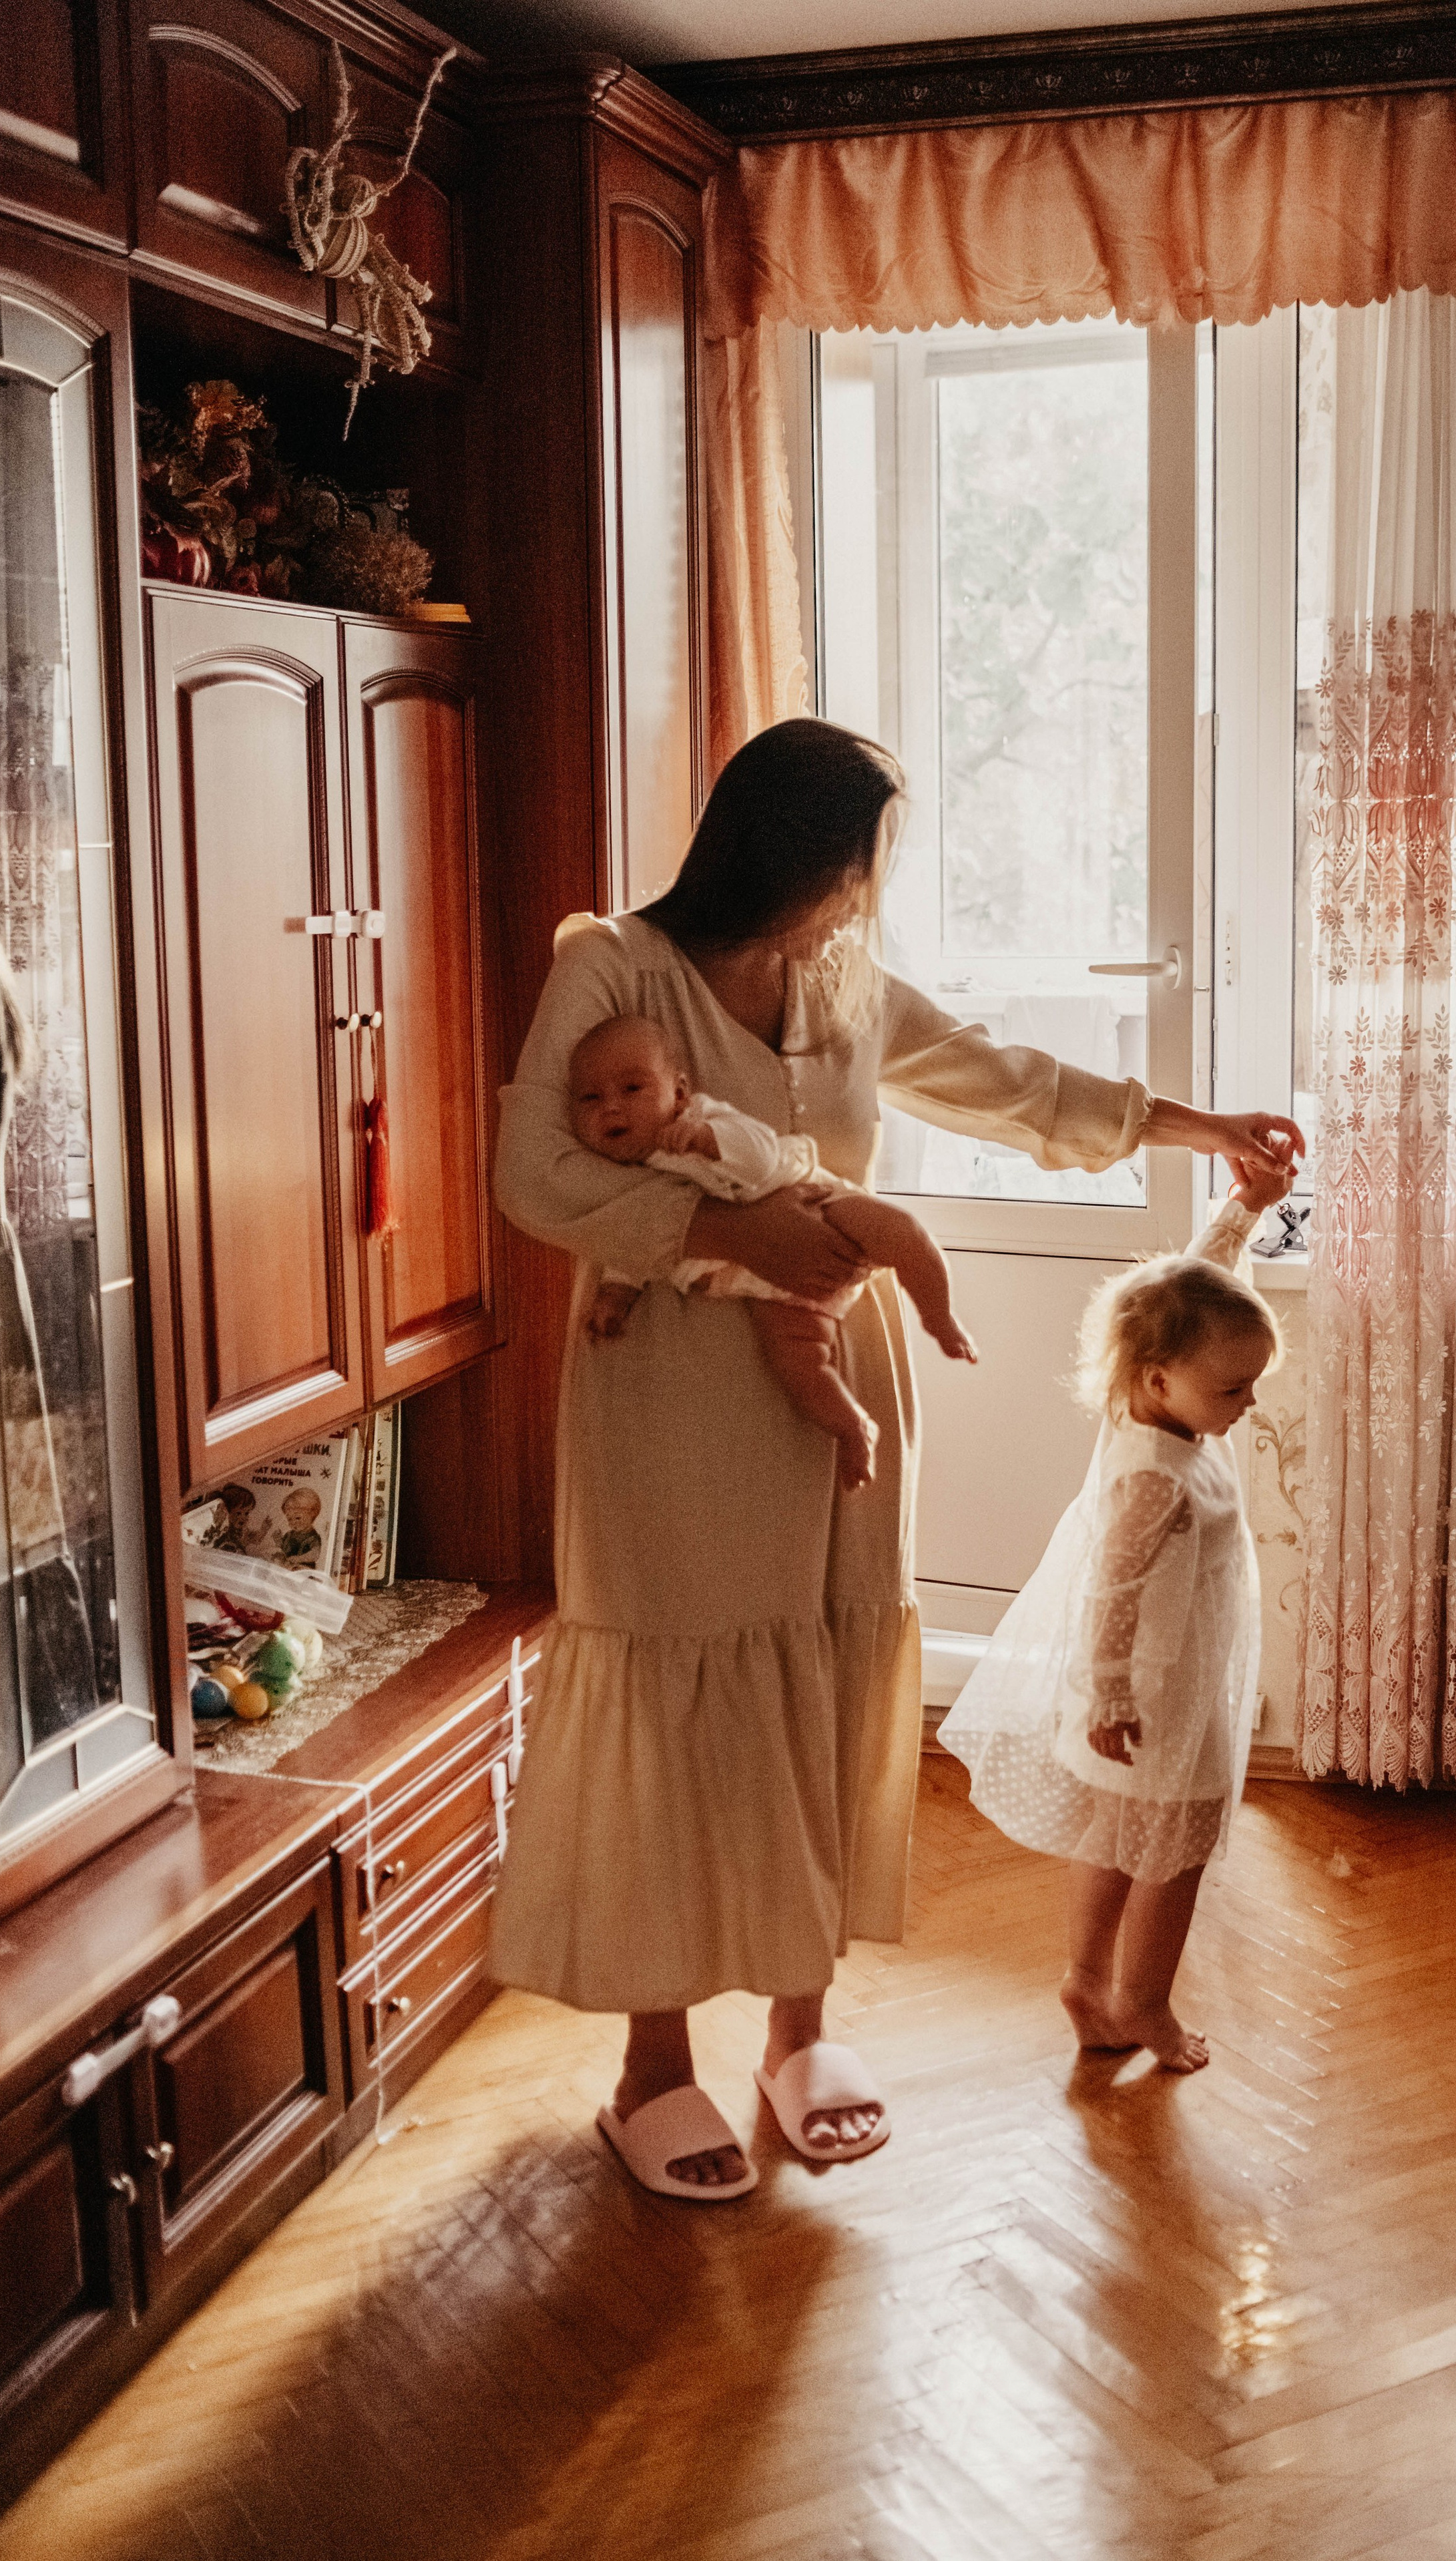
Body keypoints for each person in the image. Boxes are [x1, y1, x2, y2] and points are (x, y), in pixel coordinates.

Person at [489, 717, 1302, 2200]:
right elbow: (534, 1171)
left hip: (840, 1377)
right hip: (668, 1389)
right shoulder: (613, 967)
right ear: (796, 854)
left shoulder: (844, 984)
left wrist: (1199, 1129)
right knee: (675, 1697)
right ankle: (652, 2068)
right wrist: (729, 1228)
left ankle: (798, 2033)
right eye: (860, 865)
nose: (867, 895)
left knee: (823, 1672)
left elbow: (1005, 1081)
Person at [939, 1160, 1292, 2074]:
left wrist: (1240, 1212)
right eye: (1234, 1388)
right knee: (1174, 1853)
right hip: (1152, 1702)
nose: (1249, 1402)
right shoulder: (1154, 1477)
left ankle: (1088, 1981)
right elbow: (1111, 1592)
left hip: (1132, 1697)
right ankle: (1144, 2000)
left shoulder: (1148, 1412)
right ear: (1160, 1377)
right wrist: (1111, 1695)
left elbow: (1197, 1275)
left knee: (1114, 1834)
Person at [567, 1011, 977, 1489]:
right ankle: (853, 1426)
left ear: (678, 1093)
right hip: (765, 1287)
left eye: (632, 1089)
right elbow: (634, 1238)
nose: (611, 1108)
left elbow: (761, 1155)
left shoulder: (702, 1118)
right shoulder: (622, 1179)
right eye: (590, 1098)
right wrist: (618, 1292)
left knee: (902, 1233)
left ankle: (939, 1315)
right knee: (798, 1363)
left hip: (819, 1207)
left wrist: (708, 1140)